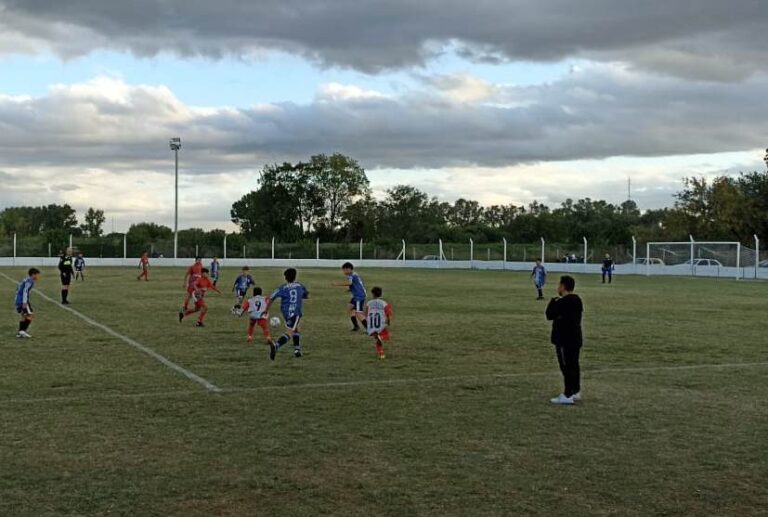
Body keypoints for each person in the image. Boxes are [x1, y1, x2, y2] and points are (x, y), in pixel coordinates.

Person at [545, 275, 584, 405]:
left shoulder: (562, 302)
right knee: (574, 365)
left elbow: (549, 315)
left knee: (566, 367)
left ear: (563, 286)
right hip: (576, 338)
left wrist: (553, 301)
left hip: (564, 340)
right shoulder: (577, 300)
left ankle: (567, 394)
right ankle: (575, 390)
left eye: (559, 285)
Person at [266, 268, 309, 360]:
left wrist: (266, 310)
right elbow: (305, 295)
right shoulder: (300, 286)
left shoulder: (282, 287)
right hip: (295, 312)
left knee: (296, 328)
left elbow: (271, 298)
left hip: (286, 312)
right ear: (295, 276)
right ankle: (276, 345)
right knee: (290, 332)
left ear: (285, 278)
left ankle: (297, 350)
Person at [333, 262, 367, 331]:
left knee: (358, 313)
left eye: (344, 270)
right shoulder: (353, 274)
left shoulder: (351, 275)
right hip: (357, 295)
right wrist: (349, 289)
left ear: (348, 269)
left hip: (359, 296)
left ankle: (369, 329)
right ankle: (356, 326)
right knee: (350, 308)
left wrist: (337, 284)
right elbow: (355, 284)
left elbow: (350, 283)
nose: (343, 272)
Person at [366, 286, 392, 360]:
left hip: (371, 325)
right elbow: (388, 313)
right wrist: (388, 321)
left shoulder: (369, 303)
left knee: (378, 339)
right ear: (381, 294)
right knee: (386, 336)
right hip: (381, 324)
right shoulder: (384, 303)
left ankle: (381, 354)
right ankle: (381, 338)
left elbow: (366, 313)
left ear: (373, 294)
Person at [14, 268, 40, 339]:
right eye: (37, 275)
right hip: (22, 300)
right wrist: (24, 302)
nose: (38, 277)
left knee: (23, 316)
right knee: (30, 315)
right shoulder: (29, 281)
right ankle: (23, 331)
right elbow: (25, 291)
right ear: (33, 274)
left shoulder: (26, 279)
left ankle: (20, 333)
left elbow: (19, 289)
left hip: (18, 299)